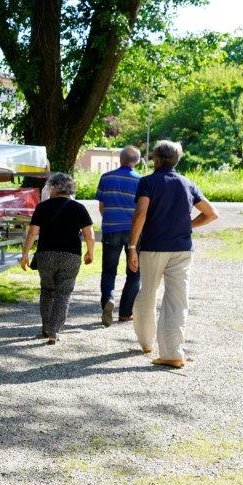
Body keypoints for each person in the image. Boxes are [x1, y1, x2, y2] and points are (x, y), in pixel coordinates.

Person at [127, 140, 219, 368]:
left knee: (147, 293)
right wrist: (188, 225)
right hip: (182, 248)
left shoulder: (148, 182)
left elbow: (140, 214)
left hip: (154, 247)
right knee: (177, 301)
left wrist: (132, 247)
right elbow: (211, 213)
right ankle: (173, 353)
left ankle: (146, 343)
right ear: (176, 160)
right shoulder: (188, 183)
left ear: (157, 159)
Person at [19, 172, 95, 344]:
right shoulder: (79, 208)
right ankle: (54, 331)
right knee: (63, 294)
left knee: (47, 291)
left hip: (46, 255)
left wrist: (25, 254)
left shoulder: (42, 207)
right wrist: (90, 252)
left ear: (52, 187)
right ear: (70, 188)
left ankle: (46, 328)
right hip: (71, 256)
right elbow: (89, 235)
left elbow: (32, 233)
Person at [94, 146, 142, 327]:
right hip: (134, 232)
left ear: (120, 159)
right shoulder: (141, 181)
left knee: (108, 270)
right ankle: (125, 313)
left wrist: (110, 220)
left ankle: (108, 299)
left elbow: (101, 206)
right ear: (137, 161)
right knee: (134, 272)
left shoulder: (106, 177)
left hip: (111, 229)